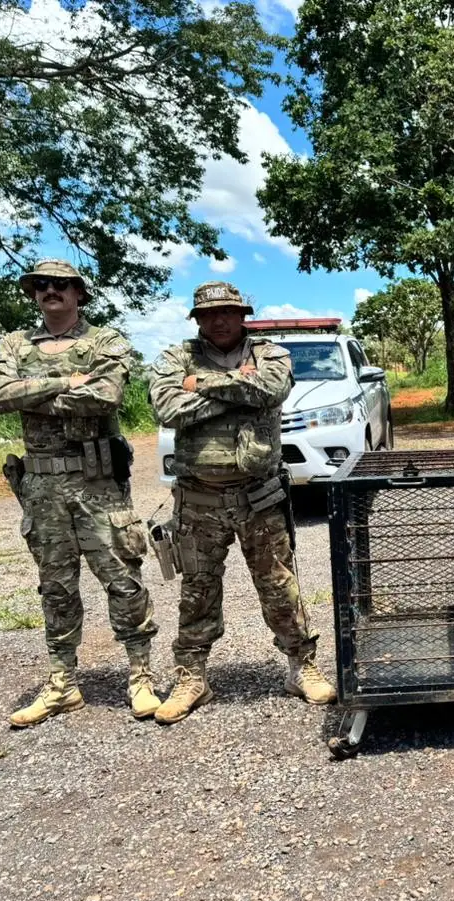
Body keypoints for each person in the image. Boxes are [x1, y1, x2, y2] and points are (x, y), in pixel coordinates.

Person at [0, 259, 160, 727]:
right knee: (56, 588)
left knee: (123, 579)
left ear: (79, 293)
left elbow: (107, 394)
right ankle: (63, 683)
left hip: (98, 485)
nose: (50, 291)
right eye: (41, 285)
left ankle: (140, 675)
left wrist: (31, 391)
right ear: (33, 293)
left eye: (61, 284)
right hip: (41, 488)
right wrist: (64, 383)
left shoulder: (105, 341)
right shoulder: (11, 345)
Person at [148, 281, 335, 723]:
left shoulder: (270, 354)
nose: (219, 319)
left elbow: (269, 391)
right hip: (198, 499)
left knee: (279, 586)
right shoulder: (177, 357)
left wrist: (201, 387)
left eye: (228, 311)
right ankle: (192, 676)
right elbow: (167, 408)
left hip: (260, 496)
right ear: (197, 319)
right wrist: (235, 389)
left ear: (242, 314)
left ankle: (300, 666)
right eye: (209, 313)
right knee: (197, 592)